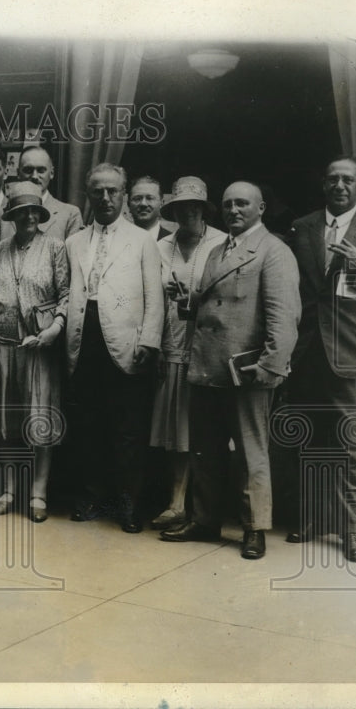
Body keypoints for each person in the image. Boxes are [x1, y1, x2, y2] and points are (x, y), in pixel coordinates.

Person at [160, 181, 300, 560]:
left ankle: (255, 528)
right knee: (205, 451)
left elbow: (284, 317)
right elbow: (213, 305)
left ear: (261, 207)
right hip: (207, 367)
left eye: (243, 203)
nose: (234, 210)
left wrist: (270, 365)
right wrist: (187, 302)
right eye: (228, 204)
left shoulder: (274, 251)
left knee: (251, 452)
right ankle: (205, 521)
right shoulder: (218, 251)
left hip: (246, 371)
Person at [283, 156, 356, 562]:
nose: (340, 186)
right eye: (333, 179)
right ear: (323, 185)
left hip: (352, 354)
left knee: (353, 445)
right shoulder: (302, 227)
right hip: (307, 350)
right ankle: (310, 517)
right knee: (306, 438)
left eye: (348, 180)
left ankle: (354, 531)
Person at [64, 164, 163, 533]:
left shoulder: (141, 241)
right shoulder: (74, 242)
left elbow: (155, 297)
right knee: (88, 424)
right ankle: (91, 497)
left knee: (128, 429)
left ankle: (128, 503)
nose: (105, 199)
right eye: (97, 192)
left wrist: (149, 340)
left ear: (123, 195)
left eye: (112, 192)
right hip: (83, 340)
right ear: (88, 195)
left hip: (126, 342)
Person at [147, 177, 227, 530]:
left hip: (206, 351)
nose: (189, 213)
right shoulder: (162, 246)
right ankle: (176, 503)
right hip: (171, 346)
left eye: (195, 207)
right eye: (182, 208)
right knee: (174, 431)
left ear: (204, 210)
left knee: (202, 431)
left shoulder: (222, 244)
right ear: (174, 211)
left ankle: (204, 508)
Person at [0, 181, 69, 523]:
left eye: (34, 211)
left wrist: (53, 331)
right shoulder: (1, 249)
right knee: (7, 419)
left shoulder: (55, 247)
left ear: (41, 214)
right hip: (3, 343)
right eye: (22, 212)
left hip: (41, 345)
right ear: (12, 217)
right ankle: (8, 490)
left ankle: (38, 492)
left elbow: (67, 296)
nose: (29, 217)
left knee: (41, 418)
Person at [0, 146, 84, 243]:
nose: (34, 176)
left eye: (41, 170)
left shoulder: (70, 215)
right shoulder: (0, 215)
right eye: (28, 170)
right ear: (18, 173)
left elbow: (75, 256)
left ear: (51, 173)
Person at [127, 176, 172, 241]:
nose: (143, 204)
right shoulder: (118, 240)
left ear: (161, 203)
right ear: (128, 204)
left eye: (150, 198)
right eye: (137, 199)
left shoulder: (173, 241)